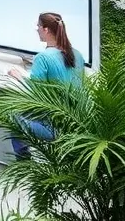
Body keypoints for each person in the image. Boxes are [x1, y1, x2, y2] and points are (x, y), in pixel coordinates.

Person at [6, 12, 85, 158]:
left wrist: (19, 77)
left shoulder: (42, 58)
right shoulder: (78, 55)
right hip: (76, 124)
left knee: (12, 114)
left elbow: (36, 94)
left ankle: (24, 163)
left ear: (46, 30)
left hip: (54, 127)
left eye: (38, 26)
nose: (37, 29)